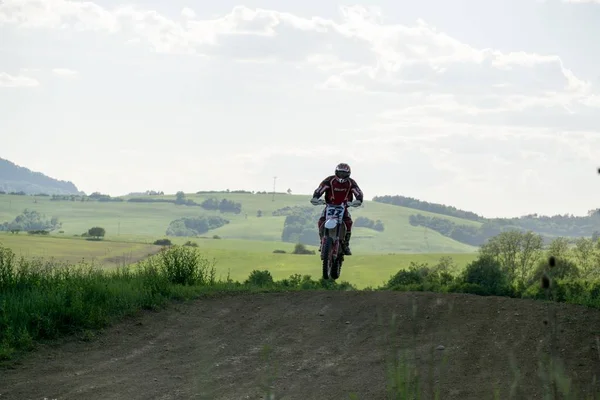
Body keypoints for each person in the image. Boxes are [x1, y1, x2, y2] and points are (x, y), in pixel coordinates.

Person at [310, 163, 363, 255]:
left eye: (344, 173)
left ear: (348, 173)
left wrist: (358, 200)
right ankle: (322, 241)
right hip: (329, 206)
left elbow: (358, 192)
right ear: (336, 172)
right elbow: (320, 189)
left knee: (348, 222)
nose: (342, 175)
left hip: (343, 207)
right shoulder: (329, 180)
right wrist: (315, 197)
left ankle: (346, 244)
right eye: (340, 173)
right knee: (321, 221)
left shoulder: (351, 183)